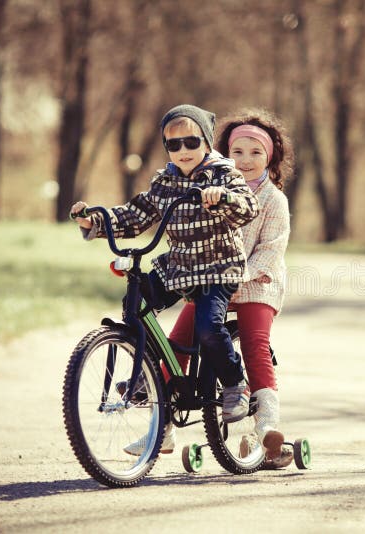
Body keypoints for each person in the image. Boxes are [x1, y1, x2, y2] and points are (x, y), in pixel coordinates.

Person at [70, 104, 259, 456]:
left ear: (205, 141)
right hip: (178, 266)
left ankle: (235, 384)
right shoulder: (165, 181)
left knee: (207, 326)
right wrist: (96, 220)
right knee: (136, 303)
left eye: (191, 142)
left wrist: (223, 199)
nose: (183, 151)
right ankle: (150, 372)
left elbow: (248, 207)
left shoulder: (223, 174)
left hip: (219, 268)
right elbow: (137, 214)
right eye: (174, 145)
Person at [168, 108, 293, 468]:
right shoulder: (211, 189)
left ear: (270, 157)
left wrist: (238, 274)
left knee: (255, 344)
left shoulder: (274, 201)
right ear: (224, 155)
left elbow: (271, 251)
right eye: (237, 152)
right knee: (179, 340)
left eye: (256, 153)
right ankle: (161, 420)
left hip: (256, 284)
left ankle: (267, 422)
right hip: (213, 281)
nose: (246, 160)